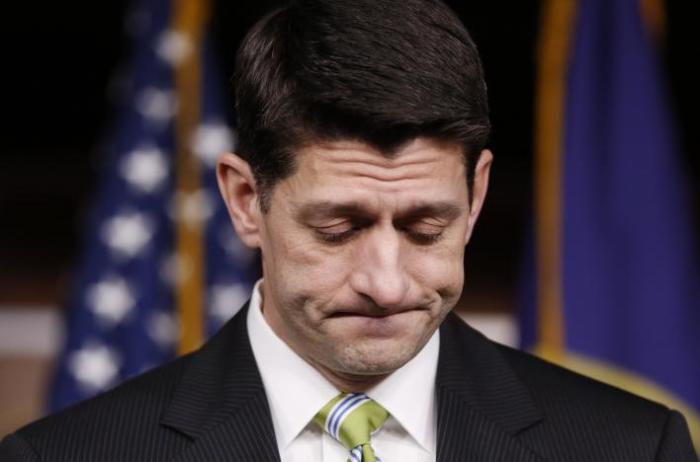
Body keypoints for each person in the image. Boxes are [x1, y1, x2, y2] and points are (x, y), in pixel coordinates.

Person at [1, 0, 697, 460]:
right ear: (246, 199)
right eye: (337, 227)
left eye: (427, 226)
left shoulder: (634, 448)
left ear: (476, 193)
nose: (386, 282)